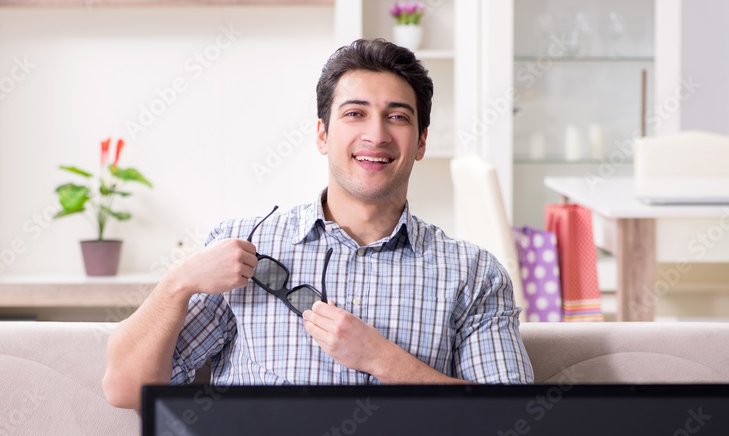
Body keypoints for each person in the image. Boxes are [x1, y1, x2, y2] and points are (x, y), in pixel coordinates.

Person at [103, 38, 532, 409]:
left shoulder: (473, 273)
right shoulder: (247, 246)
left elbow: (510, 423)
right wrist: (178, 282)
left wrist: (382, 360)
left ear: (421, 142)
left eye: (398, 116)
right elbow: (124, 388)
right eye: (355, 114)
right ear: (322, 135)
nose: (377, 135)